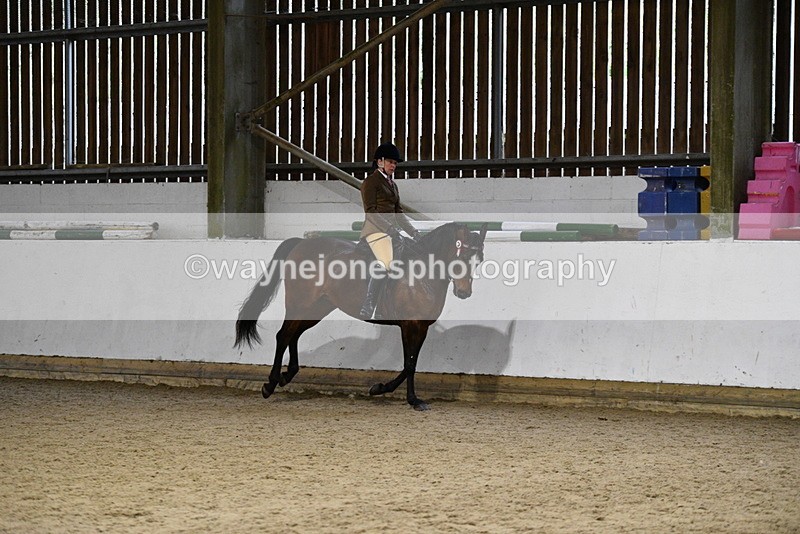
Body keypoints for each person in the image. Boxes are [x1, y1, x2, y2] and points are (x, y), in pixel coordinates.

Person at [358, 142, 420, 320]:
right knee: (385, 262)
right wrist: (390, 229)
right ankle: (369, 305)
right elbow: (370, 211)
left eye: (395, 163)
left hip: (391, 231)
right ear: (379, 162)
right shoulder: (370, 182)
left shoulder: (393, 185)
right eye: (390, 162)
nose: (393, 165)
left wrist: (413, 232)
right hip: (375, 231)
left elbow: (398, 213)